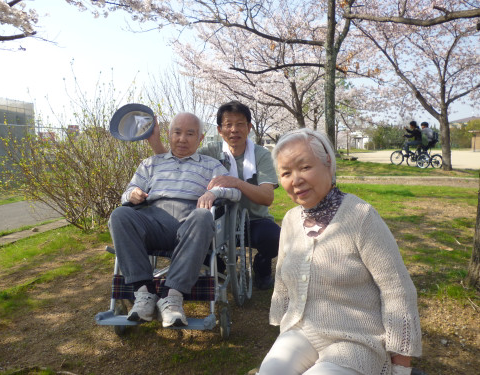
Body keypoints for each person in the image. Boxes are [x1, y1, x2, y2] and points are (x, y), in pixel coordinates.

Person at [258, 128, 422, 375]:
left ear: (328, 164)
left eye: (304, 167)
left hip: (356, 339)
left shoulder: (361, 216)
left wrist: (401, 365)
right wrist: (284, 322)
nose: (296, 180)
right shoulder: (291, 220)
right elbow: (282, 277)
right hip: (302, 330)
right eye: (286, 173)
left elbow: (397, 289)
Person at [108, 112, 241, 328]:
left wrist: (213, 193)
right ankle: (144, 293)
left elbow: (234, 193)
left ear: (200, 139)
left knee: (202, 215)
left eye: (190, 134)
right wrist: (132, 194)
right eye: (177, 133)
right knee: (120, 214)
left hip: (191, 222)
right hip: (152, 221)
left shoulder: (210, 165)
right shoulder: (151, 163)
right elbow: (128, 192)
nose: (182, 139)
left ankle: (172, 297)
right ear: (169, 135)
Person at [148, 101, 280, 290]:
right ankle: (219, 264)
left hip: (253, 220)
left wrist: (236, 182)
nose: (234, 129)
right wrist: (155, 143)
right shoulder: (210, 151)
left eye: (240, 124)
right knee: (201, 238)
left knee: (273, 237)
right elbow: (178, 162)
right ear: (219, 130)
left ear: (249, 127)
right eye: (228, 124)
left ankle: (262, 262)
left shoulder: (261, 155)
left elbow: (267, 197)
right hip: (218, 220)